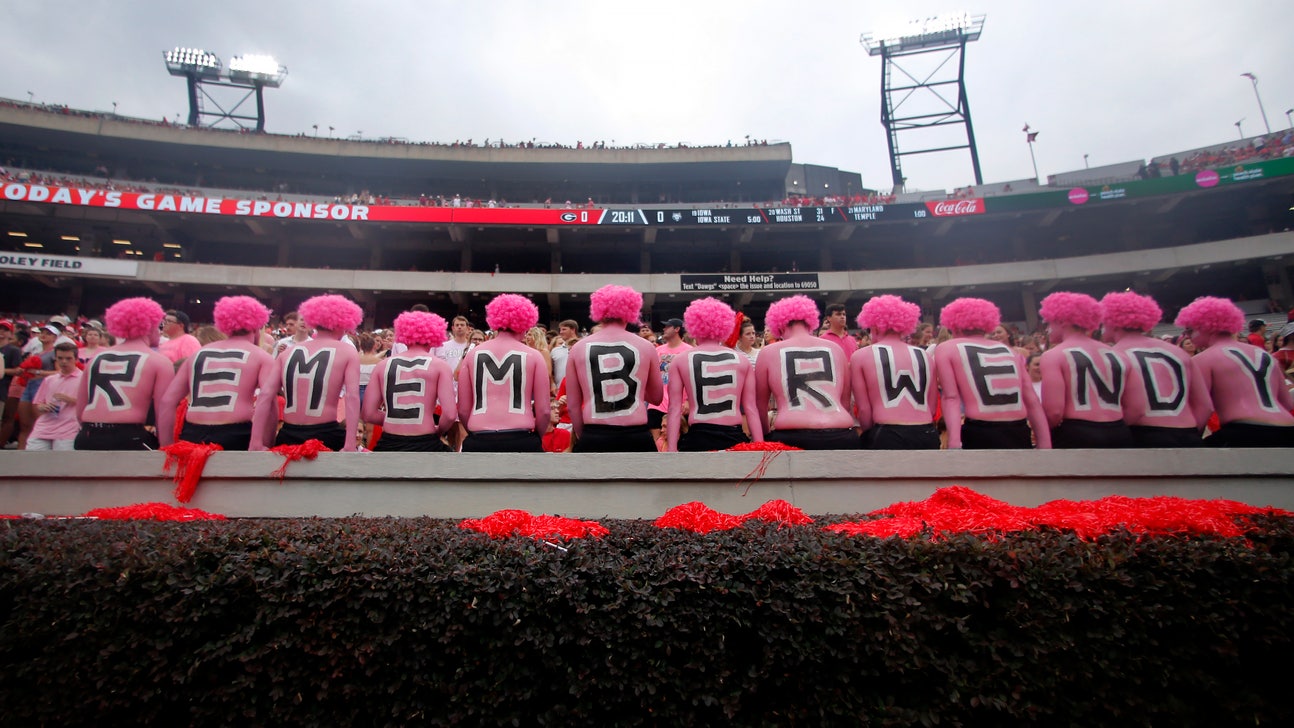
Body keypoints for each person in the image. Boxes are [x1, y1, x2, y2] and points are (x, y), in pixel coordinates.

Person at [158, 296, 280, 451]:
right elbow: (269, 403)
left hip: (192, 433)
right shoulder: (260, 356)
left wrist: (166, 446)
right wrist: (264, 443)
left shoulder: (198, 354)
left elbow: (167, 401)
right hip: (236, 433)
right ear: (256, 326)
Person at [1176, 296, 1294, 447]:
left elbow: (1203, 407)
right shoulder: (1264, 354)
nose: (1187, 336)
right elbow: (1287, 402)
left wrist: (1193, 438)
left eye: (1189, 330)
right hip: (1287, 428)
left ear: (1205, 327)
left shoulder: (1204, 359)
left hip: (1243, 431)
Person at [933, 298, 1050, 449]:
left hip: (981, 428)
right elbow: (1031, 399)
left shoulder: (947, 348)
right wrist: (1045, 443)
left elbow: (951, 398)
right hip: (1018, 428)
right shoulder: (1008, 350)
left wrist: (954, 442)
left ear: (953, 325)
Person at [1100, 291, 1210, 447]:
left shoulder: (1113, 355)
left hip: (1141, 434)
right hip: (1188, 433)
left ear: (1112, 322)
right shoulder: (1179, 353)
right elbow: (1205, 405)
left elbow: (1131, 409)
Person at [565, 284, 663, 452]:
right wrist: (634, 385)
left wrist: (584, 436)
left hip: (594, 432)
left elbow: (573, 406)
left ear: (599, 313)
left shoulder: (579, 347)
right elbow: (656, 397)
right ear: (630, 312)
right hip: (637, 434)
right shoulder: (646, 346)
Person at [754, 295, 857, 449]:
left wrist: (765, 437)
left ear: (779, 326)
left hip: (792, 433)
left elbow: (760, 406)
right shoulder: (835, 349)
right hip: (840, 432)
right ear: (810, 323)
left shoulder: (768, 352)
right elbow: (845, 401)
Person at [75, 297, 175, 450]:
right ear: (149, 327)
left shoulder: (97, 358)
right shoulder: (159, 361)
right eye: (159, 325)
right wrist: (167, 446)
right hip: (129, 435)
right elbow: (165, 411)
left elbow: (80, 407)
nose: (160, 331)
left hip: (88, 434)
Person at [1038, 292, 1134, 448]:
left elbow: (1054, 412)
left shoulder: (1053, 355)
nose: (1048, 329)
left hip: (1076, 432)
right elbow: (1133, 408)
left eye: (1049, 323)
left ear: (1062, 321)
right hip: (1119, 430)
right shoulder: (1119, 355)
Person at [457, 294, 550, 452]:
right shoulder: (534, 356)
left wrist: (473, 432)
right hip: (521, 436)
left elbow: (463, 409)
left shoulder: (473, 354)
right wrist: (537, 438)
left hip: (479, 436)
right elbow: (544, 411)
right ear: (524, 323)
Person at [666, 298, 761, 451]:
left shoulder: (680, 360)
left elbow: (674, 408)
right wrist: (759, 446)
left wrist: (671, 450)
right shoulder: (742, 360)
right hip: (734, 435)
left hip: (698, 436)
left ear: (694, 326)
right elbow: (751, 408)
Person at [850, 295, 940, 449]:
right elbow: (932, 406)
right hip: (926, 431)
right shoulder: (924, 355)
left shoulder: (861, 356)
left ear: (875, 327)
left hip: (886, 431)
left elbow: (864, 410)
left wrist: (869, 434)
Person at [277, 294, 362, 451]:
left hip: (288, 432)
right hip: (326, 432)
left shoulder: (286, 352)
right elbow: (352, 397)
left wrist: (261, 440)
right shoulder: (348, 351)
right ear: (344, 322)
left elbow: (267, 395)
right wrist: (350, 443)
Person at [362, 310, 457, 452]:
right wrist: (438, 431)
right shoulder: (440, 366)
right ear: (435, 336)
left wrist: (394, 418)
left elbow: (368, 413)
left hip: (389, 441)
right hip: (425, 439)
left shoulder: (382, 365)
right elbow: (449, 414)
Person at [27, 341, 82, 451]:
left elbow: (91, 403)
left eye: (68, 358)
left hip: (69, 429)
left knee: (62, 463)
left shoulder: (83, 378)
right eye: (60, 358)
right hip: (44, 427)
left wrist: (71, 400)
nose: (63, 362)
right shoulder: (50, 379)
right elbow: (38, 403)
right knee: (32, 459)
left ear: (76, 359)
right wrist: (42, 407)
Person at [648, 317, 692, 447]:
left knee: (680, 439)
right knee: (657, 440)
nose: (664, 329)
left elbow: (692, 378)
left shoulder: (689, 350)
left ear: (677, 329)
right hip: (658, 402)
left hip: (681, 403)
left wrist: (689, 400)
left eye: (667, 326)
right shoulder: (658, 350)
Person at [550, 319, 579, 390]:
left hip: (581, 390)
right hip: (559, 390)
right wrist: (552, 384)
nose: (561, 332)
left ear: (573, 330)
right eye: (560, 330)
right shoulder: (555, 351)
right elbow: (550, 371)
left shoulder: (584, 347)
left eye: (564, 329)